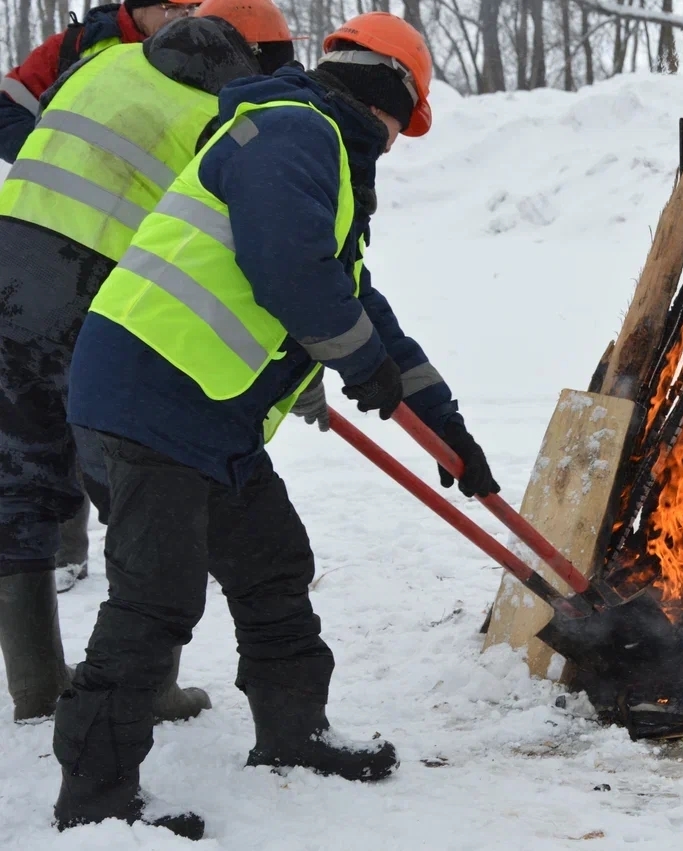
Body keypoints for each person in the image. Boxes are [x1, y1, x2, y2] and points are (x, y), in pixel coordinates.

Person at [54, 12, 499, 839]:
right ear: (388, 95)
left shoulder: (315, 154)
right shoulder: (294, 129)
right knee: (156, 599)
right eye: (406, 121)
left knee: (272, 563)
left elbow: (361, 306)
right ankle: (95, 797)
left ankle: (293, 734)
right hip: (150, 394)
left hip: (206, 416)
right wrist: (358, 361)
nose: (400, 143)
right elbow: (288, 267)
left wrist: (449, 431)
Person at [0, 3, 297, 727]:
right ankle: (145, 682)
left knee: (18, 475)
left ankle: (35, 682)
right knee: (141, 484)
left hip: (7, 272)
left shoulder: (106, 60)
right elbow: (241, 253)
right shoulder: (222, 121)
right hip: (96, 296)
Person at [0, 0, 204, 165]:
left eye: (192, 8)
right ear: (139, 7)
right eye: (170, 8)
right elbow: (5, 112)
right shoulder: (75, 46)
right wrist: (53, 156)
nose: (183, 19)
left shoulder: (207, 57)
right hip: (62, 204)